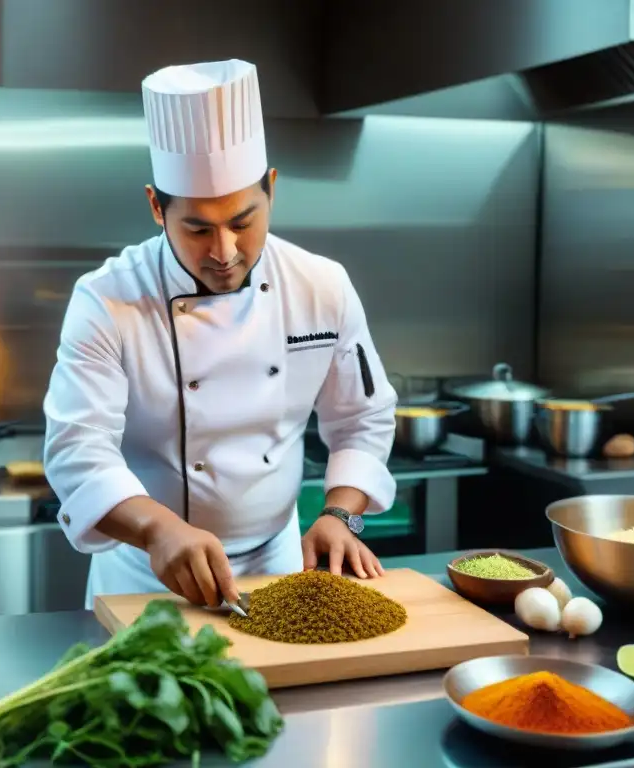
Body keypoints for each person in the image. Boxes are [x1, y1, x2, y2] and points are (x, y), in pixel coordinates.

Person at [44, 59, 398, 611]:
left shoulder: (322, 286)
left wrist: (340, 513)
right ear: (156, 206)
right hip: (147, 571)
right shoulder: (107, 300)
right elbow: (76, 450)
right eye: (198, 229)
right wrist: (159, 530)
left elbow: (363, 418)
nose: (225, 252)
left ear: (272, 189)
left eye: (242, 221)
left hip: (279, 566)